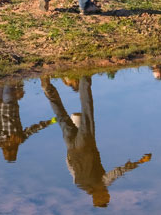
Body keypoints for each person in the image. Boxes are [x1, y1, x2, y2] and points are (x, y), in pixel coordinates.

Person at [41, 75, 151, 207]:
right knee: (61, 117)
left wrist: (138, 162)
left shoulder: (101, 184)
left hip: (85, 144)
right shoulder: (79, 184)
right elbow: (69, 165)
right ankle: (48, 89)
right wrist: (70, 152)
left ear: (101, 196)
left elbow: (116, 172)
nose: (108, 193)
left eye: (106, 196)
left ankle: (84, 77)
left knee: (87, 111)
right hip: (70, 148)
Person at [0, 83, 54, 162]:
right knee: (1, 81)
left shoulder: (19, 139)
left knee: (9, 80)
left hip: (10, 105)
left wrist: (50, 122)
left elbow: (34, 129)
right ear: (4, 152)